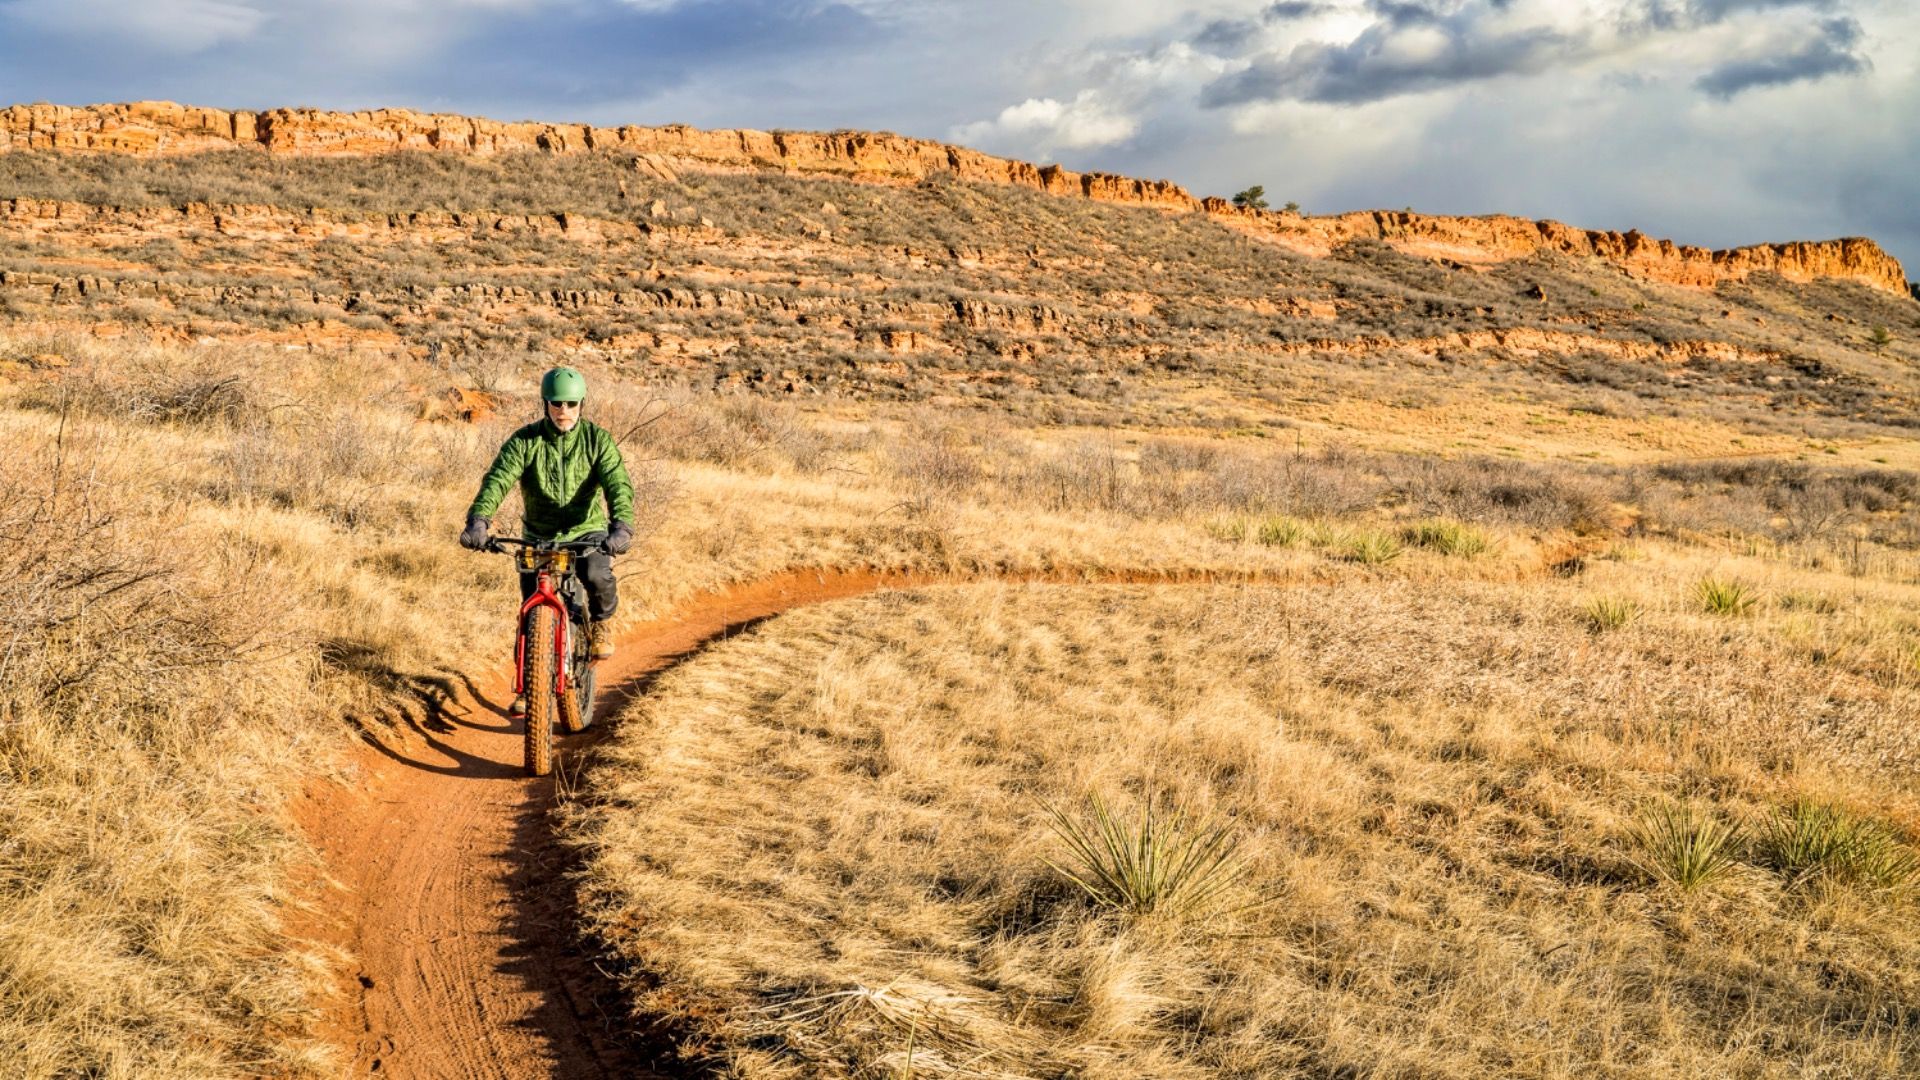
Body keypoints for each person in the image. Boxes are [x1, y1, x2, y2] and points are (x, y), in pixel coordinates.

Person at [459, 365, 635, 716]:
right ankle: (529, 685)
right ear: (545, 403)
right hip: (538, 535)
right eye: (556, 403)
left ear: (581, 403)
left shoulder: (597, 440)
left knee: (597, 575)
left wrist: (622, 527)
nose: (563, 411)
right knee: (529, 610)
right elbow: (498, 480)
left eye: (571, 404)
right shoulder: (525, 440)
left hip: (586, 531)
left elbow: (618, 484)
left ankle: (601, 624)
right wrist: (478, 520)